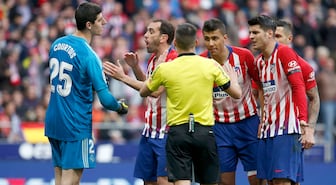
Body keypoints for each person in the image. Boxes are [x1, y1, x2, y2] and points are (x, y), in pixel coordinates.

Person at [139, 22, 242, 185]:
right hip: (204, 131)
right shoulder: (210, 65)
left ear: (175, 43)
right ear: (196, 43)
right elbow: (236, 94)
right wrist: (234, 81)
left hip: (178, 132)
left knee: (181, 181)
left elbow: (144, 91)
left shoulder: (165, 68)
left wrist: (151, 74)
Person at [44, 2, 127, 185]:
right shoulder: (90, 56)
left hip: (53, 119)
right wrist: (120, 107)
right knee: (71, 180)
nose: (104, 22)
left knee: (59, 177)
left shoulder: (57, 44)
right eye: (100, 20)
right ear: (89, 25)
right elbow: (105, 100)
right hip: (75, 123)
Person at [103, 19, 177, 185]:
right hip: (149, 130)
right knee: (148, 180)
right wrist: (136, 68)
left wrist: (123, 77)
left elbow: (156, 91)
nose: (145, 35)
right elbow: (147, 88)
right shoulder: (153, 59)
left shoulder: (173, 60)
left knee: (164, 180)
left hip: (167, 132)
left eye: (151, 32)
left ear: (164, 37)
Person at [200, 18, 263, 185]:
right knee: (225, 181)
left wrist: (263, 118)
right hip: (220, 128)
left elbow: (260, 84)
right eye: (207, 39)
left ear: (225, 37)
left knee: (257, 179)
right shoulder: (200, 62)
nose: (211, 43)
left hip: (248, 124)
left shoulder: (243, 56)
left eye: (215, 38)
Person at [248, 15, 308, 185]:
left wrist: (303, 122)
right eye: (250, 32)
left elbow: (298, 86)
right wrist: (262, 118)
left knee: (283, 181)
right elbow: (260, 89)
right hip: (267, 130)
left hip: (286, 129)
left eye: (255, 32)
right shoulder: (259, 62)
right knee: (270, 182)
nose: (251, 36)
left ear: (269, 33)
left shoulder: (284, 52)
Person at [275, 19, 320, 149]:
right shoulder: (261, 61)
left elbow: (314, 97)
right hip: (267, 130)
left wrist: (310, 129)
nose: (275, 41)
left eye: (278, 36)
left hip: (290, 130)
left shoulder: (304, 66)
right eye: (273, 36)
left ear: (289, 39)